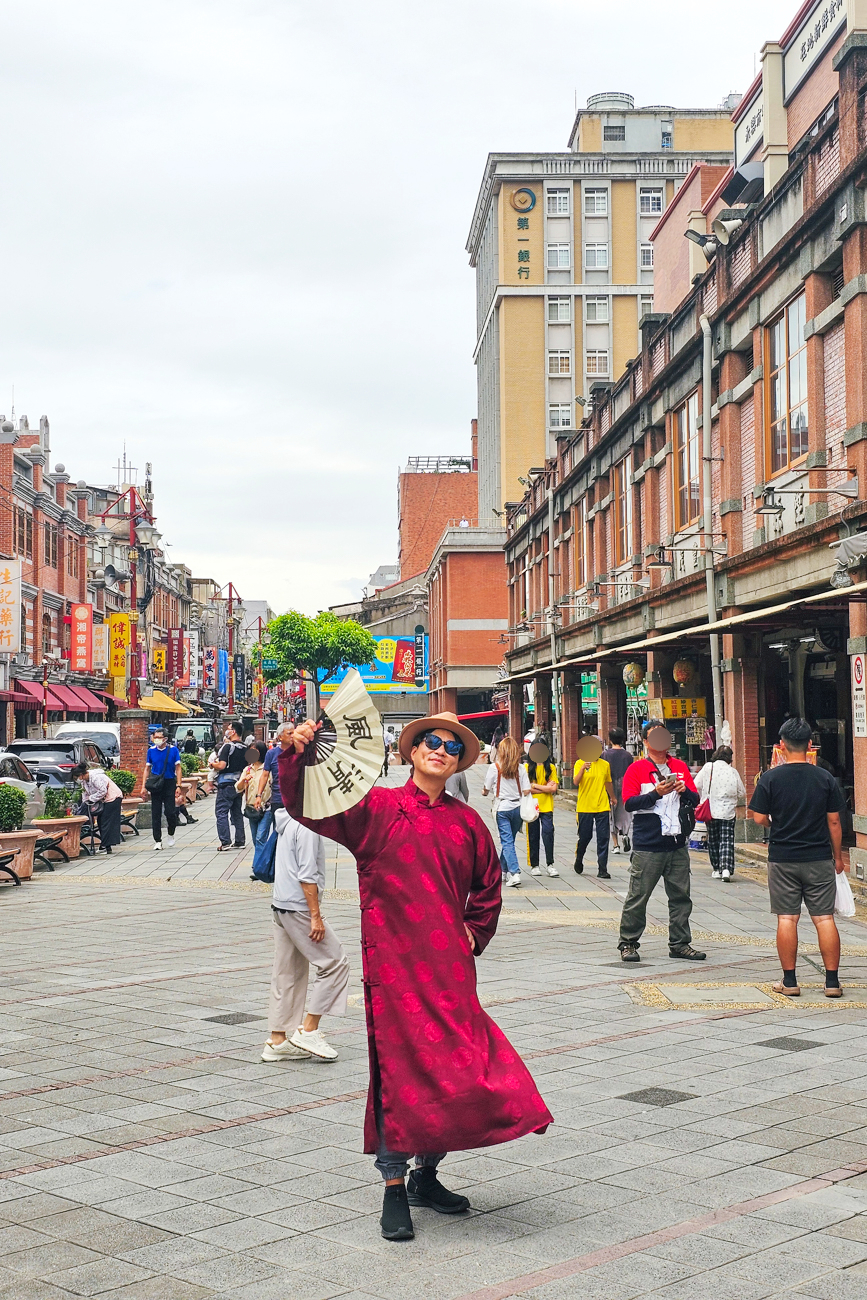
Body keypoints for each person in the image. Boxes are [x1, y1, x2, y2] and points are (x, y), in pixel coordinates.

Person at [279, 711, 552, 1243]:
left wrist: (474, 931)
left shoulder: (468, 822)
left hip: (451, 972)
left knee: (459, 1070)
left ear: (459, 761)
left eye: (451, 746)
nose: (440, 749)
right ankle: (393, 1187)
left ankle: (427, 1175)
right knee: (399, 1076)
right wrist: (298, 753)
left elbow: (489, 885)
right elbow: (306, 806)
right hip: (395, 970)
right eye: (430, 741)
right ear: (410, 751)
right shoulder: (376, 808)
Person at [748, 717, 847, 998]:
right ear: (810, 745)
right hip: (818, 857)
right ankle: (832, 983)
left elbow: (758, 818)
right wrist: (837, 858)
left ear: (781, 745)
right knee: (825, 919)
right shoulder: (824, 777)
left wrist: (774, 825)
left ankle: (789, 982)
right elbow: (835, 823)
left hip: (782, 857)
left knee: (787, 919)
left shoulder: (770, 778)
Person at [261, 807, 350, 1063]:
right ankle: (309, 1029)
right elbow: (307, 875)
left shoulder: (287, 817)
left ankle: (277, 1041)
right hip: (298, 907)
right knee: (335, 962)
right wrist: (316, 916)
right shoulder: (308, 826)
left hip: (281, 904)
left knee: (288, 972)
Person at [618, 722, 704, 963]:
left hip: (677, 842)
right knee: (638, 895)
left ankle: (680, 943)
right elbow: (629, 803)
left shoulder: (679, 766)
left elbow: (695, 798)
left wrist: (683, 789)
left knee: (681, 897)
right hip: (648, 845)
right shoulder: (637, 770)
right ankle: (628, 942)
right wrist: (656, 793)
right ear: (646, 742)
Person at [483, 736, 531, 888]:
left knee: (507, 841)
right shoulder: (521, 768)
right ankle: (503, 870)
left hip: (502, 809)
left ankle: (514, 873)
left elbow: (486, 789)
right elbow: (526, 790)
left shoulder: (495, 768)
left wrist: (485, 791)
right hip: (518, 809)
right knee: (509, 841)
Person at [695, 745, 746, 881]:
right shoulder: (733, 772)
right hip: (728, 812)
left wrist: (704, 795)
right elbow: (742, 793)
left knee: (713, 839)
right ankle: (726, 870)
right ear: (730, 758)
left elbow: (696, 785)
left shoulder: (708, 768)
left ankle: (717, 868)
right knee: (727, 839)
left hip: (711, 810)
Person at [251, 723, 294, 880]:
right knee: (279, 832)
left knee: (296, 834)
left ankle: (292, 864)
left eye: (294, 732)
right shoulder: (272, 754)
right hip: (278, 800)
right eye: (289, 733)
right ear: (280, 736)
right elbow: (264, 775)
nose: (293, 735)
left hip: (296, 800)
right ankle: (275, 865)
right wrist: (258, 795)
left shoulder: (299, 751)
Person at [573, 736, 615, 879]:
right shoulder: (580, 763)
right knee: (585, 836)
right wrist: (583, 769)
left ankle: (602, 868)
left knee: (603, 838)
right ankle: (579, 858)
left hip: (602, 805)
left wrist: (613, 797)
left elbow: (608, 782)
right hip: (585, 806)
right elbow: (576, 782)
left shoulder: (605, 764)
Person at [523, 742, 559, 877]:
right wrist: (545, 788)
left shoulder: (551, 768)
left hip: (547, 806)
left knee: (548, 832)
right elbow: (526, 789)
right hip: (532, 806)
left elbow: (553, 789)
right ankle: (534, 865)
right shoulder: (526, 767)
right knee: (533, 835)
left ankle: (550, 864)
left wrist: (535, 785)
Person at [142, 727, 181, 852]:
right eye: (155, 737)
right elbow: (147, 769)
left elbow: (178, 768)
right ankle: (157, 840)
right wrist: (143, 786)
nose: (156, 739)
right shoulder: (151, 751)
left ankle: (171, 832)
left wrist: (179, 785)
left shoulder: (173, 750)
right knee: (156, 813)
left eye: (159, 737)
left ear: (165, 738)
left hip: (169, 782)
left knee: (170, 811)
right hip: (156, 783)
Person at [212, 721, 248, 850]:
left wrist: (212, 765)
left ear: (233, 732)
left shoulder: (227, 747)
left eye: (229, 728)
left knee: (221, 812)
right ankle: (240, 840)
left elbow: (221, 765)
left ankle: (225, 841)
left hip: (225, 783)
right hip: (239, 783)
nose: (226, 730)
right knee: (236, 812)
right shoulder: (245, 747)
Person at [73, 763, 123, 853]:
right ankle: (105, 846)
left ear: (81, 775)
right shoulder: (84, 782)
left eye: (77, 777)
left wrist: (91, 798)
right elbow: (85, 794)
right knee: (101, 821)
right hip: (104, 800)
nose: (77, 780)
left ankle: (105, 846)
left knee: (105, 822)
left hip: (112, 797)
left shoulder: (96, 777)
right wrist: (86, 802)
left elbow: (102, 790)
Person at [602, 728, 634, 855]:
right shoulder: (628, 756)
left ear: (610, 739)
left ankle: (615, 845)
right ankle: (625, 834)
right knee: (625, 813)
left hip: (611, 786)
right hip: (625, 785)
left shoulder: (605, 755)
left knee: (612, 815)